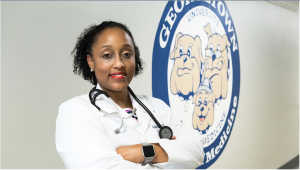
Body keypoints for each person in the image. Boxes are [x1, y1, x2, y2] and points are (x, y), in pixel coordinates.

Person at [55, 21, 204, 169]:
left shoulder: (157, 107)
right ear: (91, 61)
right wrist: (171, 155)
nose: (119, 63)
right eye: (107, 55)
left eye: (126, 54)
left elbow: (197, 150)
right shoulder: (75, 112)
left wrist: (147, 151)